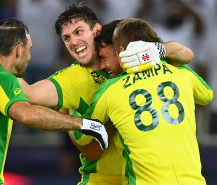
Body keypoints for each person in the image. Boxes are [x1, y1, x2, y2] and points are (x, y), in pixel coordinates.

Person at [18, 3, 196, 185]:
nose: (73, 41)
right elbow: (93, 152)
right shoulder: (72, 79)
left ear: (97, 30)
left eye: (79, 32)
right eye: (67, 38)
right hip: (104, 179)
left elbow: (186, 53)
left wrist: (158, 49)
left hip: (142, 178)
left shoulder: (129, 53)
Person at [0, 16, 108, 185]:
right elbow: (26, 114)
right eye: (30, 49)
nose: (29, 57)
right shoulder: (2, 78)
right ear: (19, 50)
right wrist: (84, 124)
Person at [83, 17, 214, 184]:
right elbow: (207, 95)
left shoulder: (110, 89)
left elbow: (84, 137)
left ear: (121, 50)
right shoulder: (181, 72)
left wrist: (68, 111)